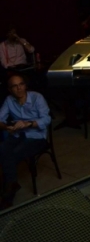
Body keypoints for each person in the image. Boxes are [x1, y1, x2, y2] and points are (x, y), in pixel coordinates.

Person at [0, 72, 51, 209]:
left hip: (36, 136)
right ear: (10, 89)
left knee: (11, 155)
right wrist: (7, 127)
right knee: (2, 150)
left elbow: (47, 119)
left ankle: (8, 194)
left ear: (25, 85)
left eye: (21, 84)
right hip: (17, 134)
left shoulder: (36, 97)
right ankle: (11, 184)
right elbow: (0, 120)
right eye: (15, 86)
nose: (19, 88)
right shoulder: (9, 100)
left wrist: (28, 124)